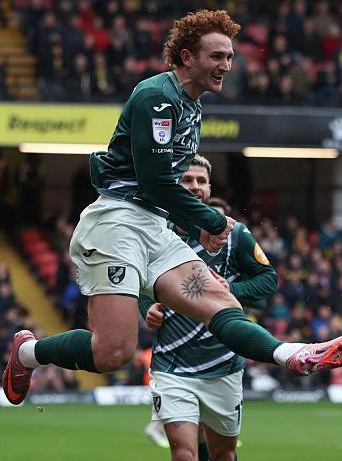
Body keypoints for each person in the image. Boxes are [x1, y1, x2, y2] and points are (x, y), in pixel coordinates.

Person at [2, 10, 342, 407]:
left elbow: (163, 189)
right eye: (217, 56)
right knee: (113, 353)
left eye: (230, 57)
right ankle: (27, 353)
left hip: (154, 225)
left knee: (221, 301)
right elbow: (155, 182)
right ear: (187, 57)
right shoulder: (157, 97)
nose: (226, 66)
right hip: (116, 224)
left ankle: (292, 354)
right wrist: (209, 218)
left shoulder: (192, 106)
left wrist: (195, 222)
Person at [142, 156, 277, 460]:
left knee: (224, 454)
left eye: (201, 181)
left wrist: (231, 290)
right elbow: (137, 281)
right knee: (183, 453)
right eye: (187, 180)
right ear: (173, 185)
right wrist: (146, 306)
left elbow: (269, 280)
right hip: (172, 364)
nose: (195, 186)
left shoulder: (234, 234)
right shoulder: (156, 233)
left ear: (210, 188)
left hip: (223, 364)